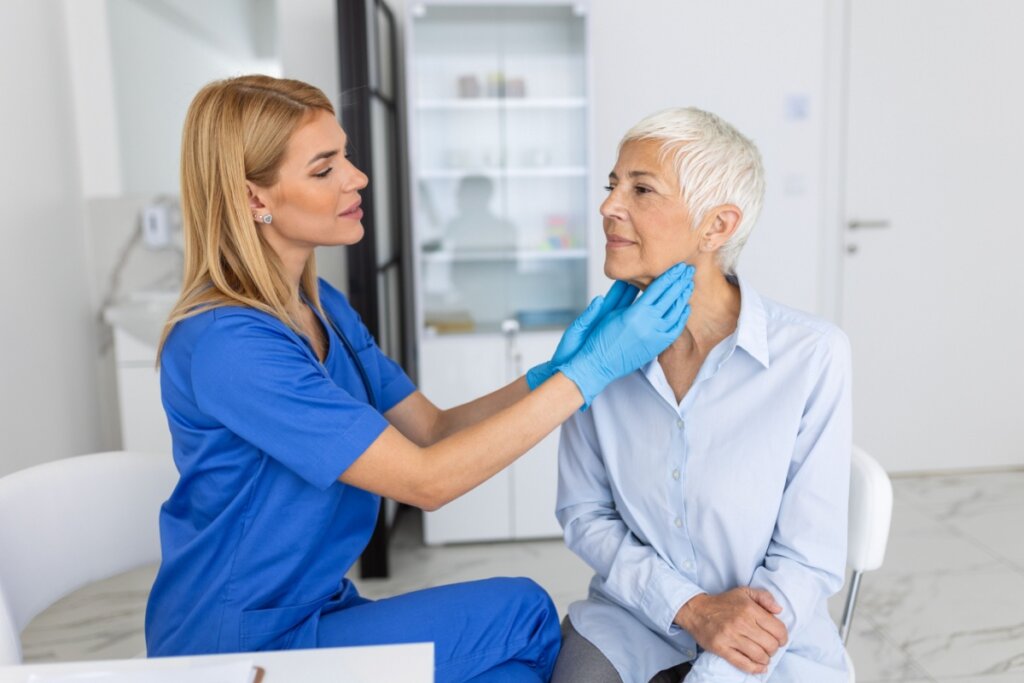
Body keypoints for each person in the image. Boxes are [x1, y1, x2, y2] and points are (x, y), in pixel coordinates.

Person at [143, 75, 694, 683]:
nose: (357, 177)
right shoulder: (229, 344)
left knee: (509, 674)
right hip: (238, 645)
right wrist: (591, 374)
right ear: (254, 199)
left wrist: (553, 372)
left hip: (317, 608)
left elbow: (431, 430)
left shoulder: (321, 306)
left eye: (345, 156)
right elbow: (425, 481)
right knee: (524, 615)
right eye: (325, 169)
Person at [551, 108, 851, 683]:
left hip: (770, 631)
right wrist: (688, 607)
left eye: (641, 189)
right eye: (613, 185)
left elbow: (807, 555)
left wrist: (718, 662)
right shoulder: (598, 354)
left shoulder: (812, 355)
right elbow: (584, 514)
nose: (609, 206)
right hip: (632, 617)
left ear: (716, 227)